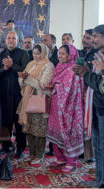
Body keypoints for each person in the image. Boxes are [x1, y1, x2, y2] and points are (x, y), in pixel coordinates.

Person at [73, 24, 104, 188]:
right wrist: (86, 73)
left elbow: (102, 86)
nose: (93, 39)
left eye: (96, 36)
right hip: (98, 107)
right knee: (98, 146)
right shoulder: (99, 55)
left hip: (102, 106)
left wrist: (87, 73)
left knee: (102, 147)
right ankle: (99, 180)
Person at [47, 44, 85, 172]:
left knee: (68, 131)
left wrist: (55, 86)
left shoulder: (74, 68)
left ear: (71, 54)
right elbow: (57, 82)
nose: (60, 56)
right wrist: (52, 85)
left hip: (70, 106)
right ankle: (61, 157)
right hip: (56, 104)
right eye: (59, 53)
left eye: (63, 53)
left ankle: (72, 161)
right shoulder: (59, 66)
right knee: (57, 130)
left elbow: (72, 88)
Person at [17, 44, 55, 164]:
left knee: (40, 129)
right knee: (29, 128)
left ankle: (39, 154)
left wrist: (27, 78)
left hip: (40, 99)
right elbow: (22, 79)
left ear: (44, 53)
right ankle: (32, 153)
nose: (36, 56)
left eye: (38, 53)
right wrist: (22, 78)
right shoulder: (31, 64)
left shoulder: (49, 66)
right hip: (28, 99)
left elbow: (43, 84)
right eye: (34, 53)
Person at [0, 31, 30, 157]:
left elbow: (26, 72)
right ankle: (6, 145)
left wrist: (12, 65)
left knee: (19, 123)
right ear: (5, 40)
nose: (10, 40)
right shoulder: (0, 54)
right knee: (5, 122)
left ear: (18, 40)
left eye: (13, 38)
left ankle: (20, 148)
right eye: (8, 38)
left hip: (19, 94)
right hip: (3, 94)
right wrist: (4, 69)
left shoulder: (23, 53)